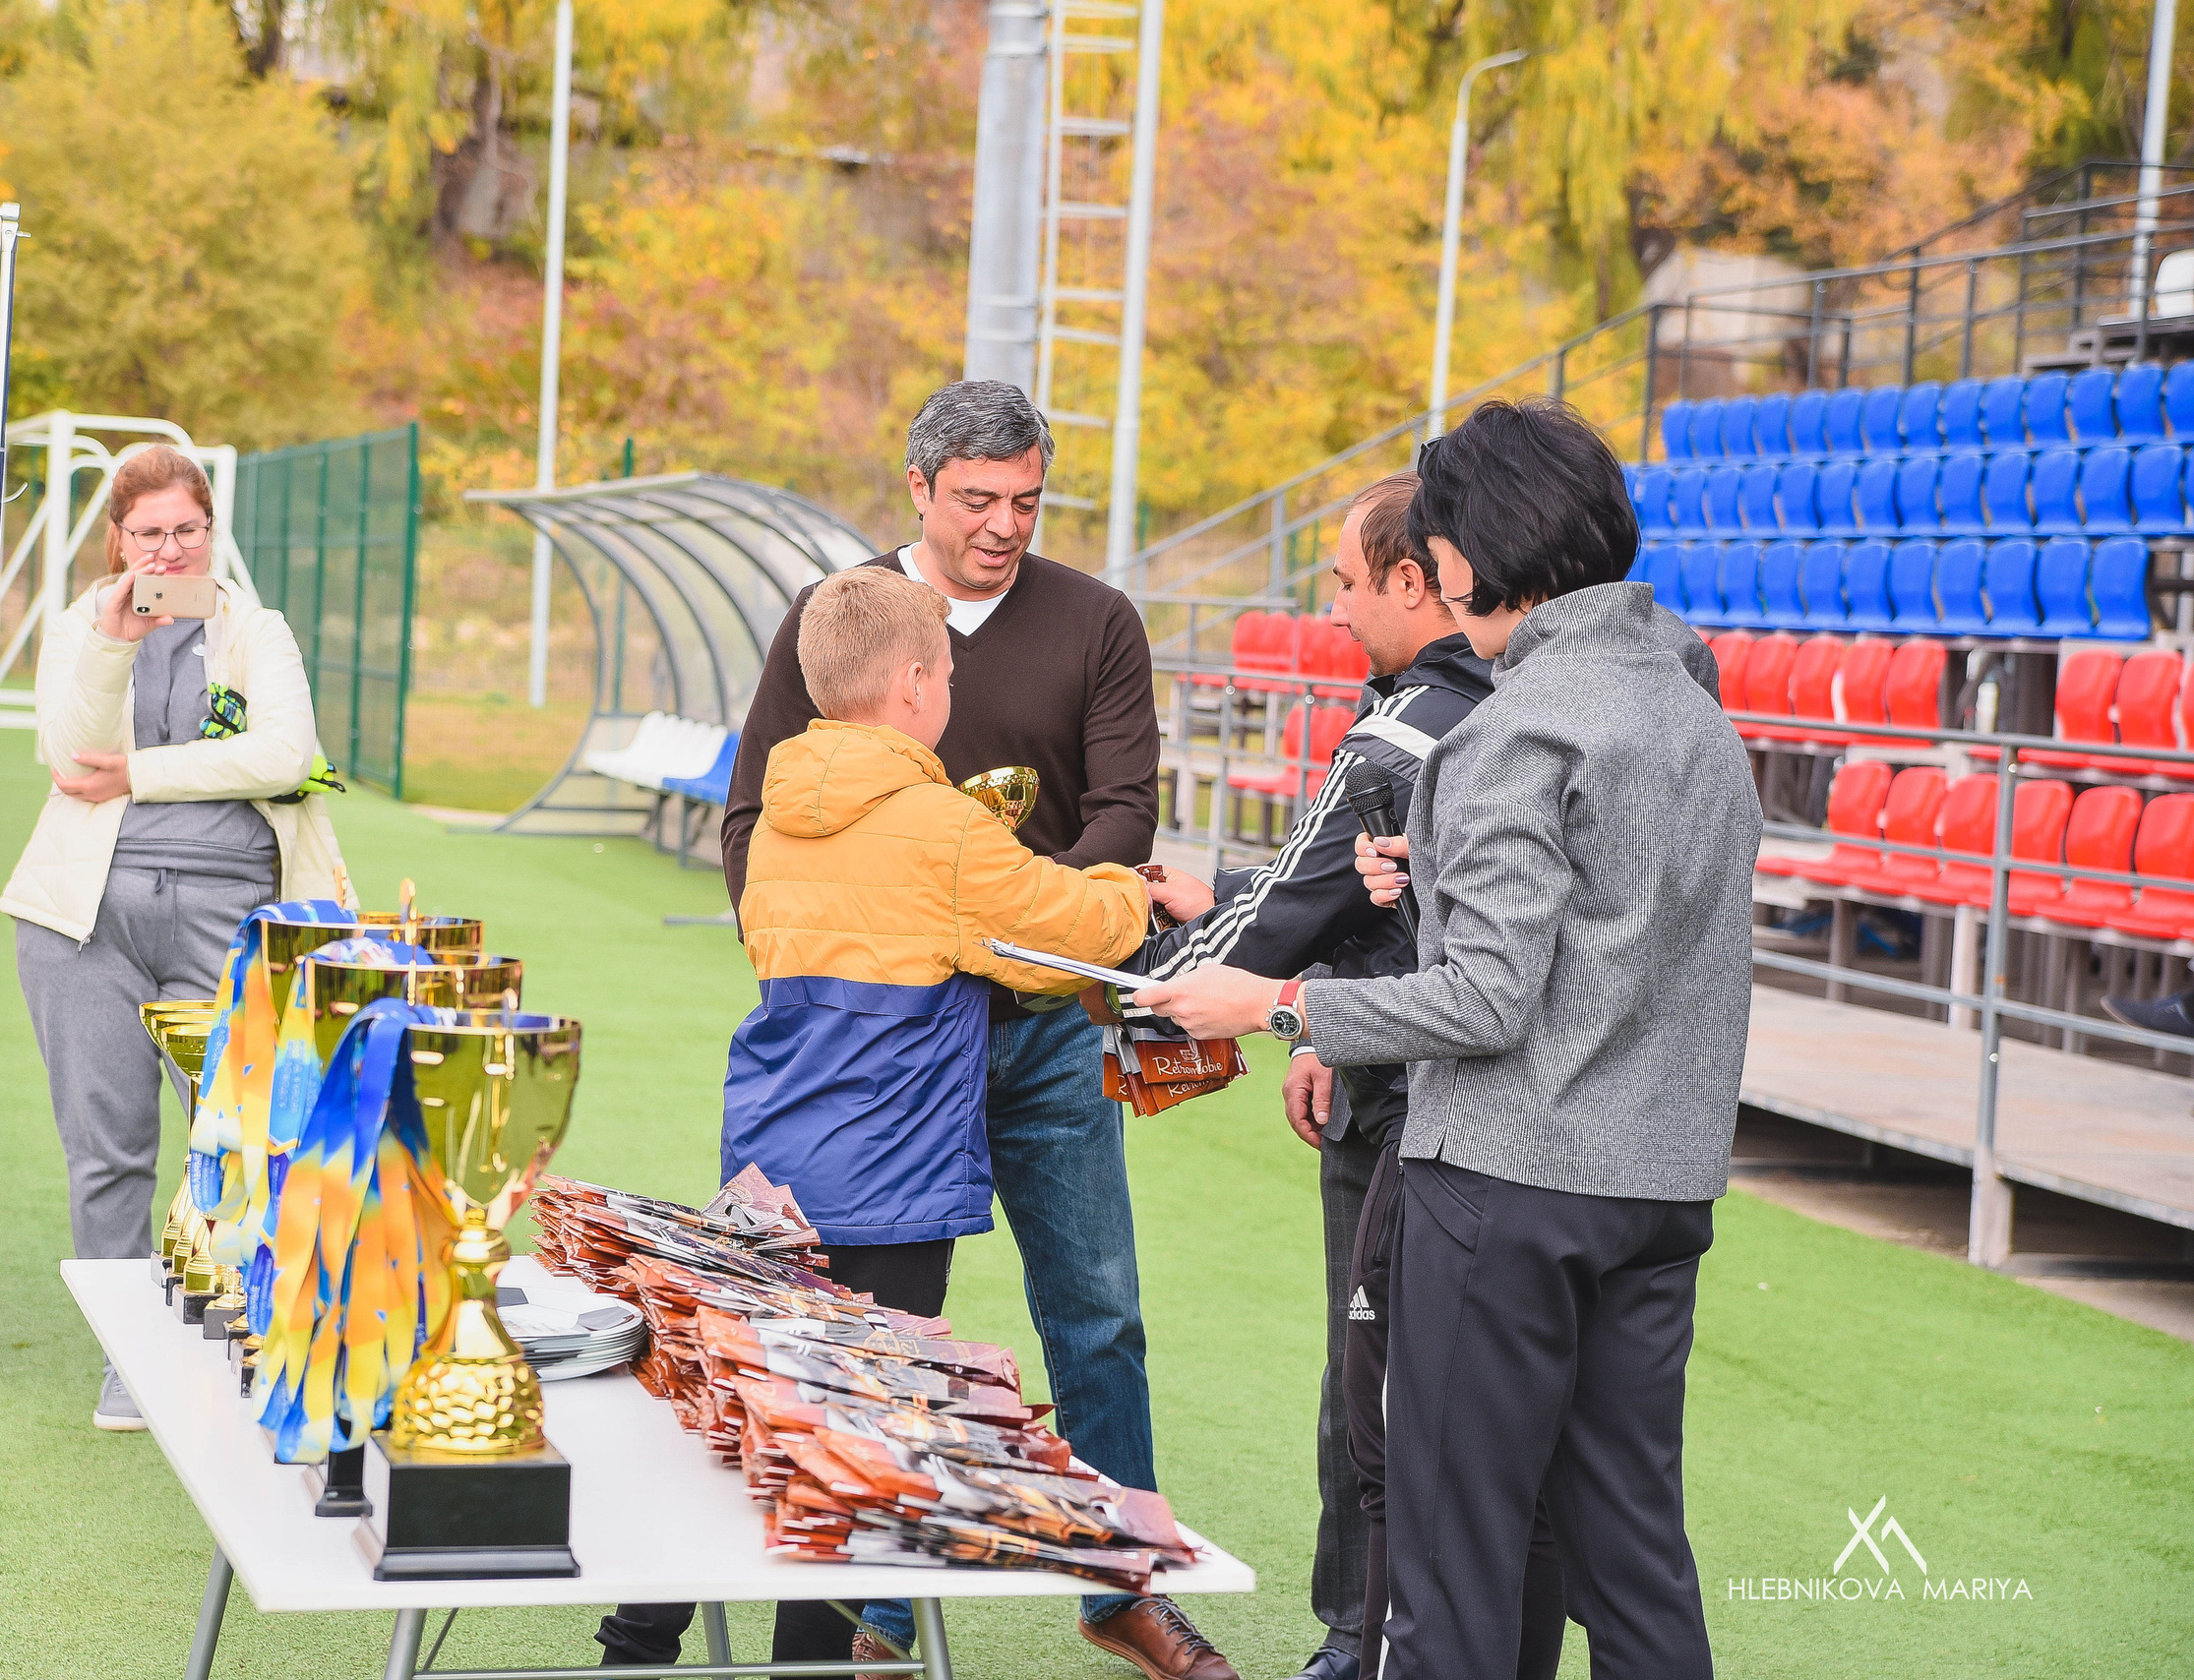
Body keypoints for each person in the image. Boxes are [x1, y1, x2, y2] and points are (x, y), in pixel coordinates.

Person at [1133, 398, 1759, 1680]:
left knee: (1452, 1566)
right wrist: (1439, 873)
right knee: (1634, 1561)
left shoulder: (1507, 731)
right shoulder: (1694, 701)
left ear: (1467, 558)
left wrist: (1282, 1004)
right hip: (1662, 1184)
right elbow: (1623, 908)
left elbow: (1483, 1000)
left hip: (1511, 1193)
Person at [708, 380, 1232, 1680]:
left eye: (1027, 501)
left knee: (1096, 1307)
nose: (1003, 524)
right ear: (920, 493)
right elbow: (756, 816)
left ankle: (1120, 1580)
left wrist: (1015, 929)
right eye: (977, 500)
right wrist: (840, 958)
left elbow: (1124, 812)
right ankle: (864, 1625)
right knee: (880, 1331)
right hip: (882, 1041)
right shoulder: (840, 619)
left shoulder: (1097, 621)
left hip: (1043, 1016)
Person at [599, 565, 1152, 1670]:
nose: (950, 685)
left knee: (745, 1408)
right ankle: (807, 1658)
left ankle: (635, 1640)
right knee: (858, 1446)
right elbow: (1066, 925)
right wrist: (1142, 889)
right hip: (890, 1188)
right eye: (947, 670)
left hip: (772, 1167)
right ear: (912, 685)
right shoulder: (941, 828)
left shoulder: (779, 825)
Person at [1122, 472, 1501, 1680]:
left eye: (1342, 580)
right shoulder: (1510, 700)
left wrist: (1117, 975)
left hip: (1409, 1107)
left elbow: (1283, 921)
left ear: (1408, 579)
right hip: (1444, 1093)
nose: (1330, 607)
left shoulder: (1404, 729)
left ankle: (1360, 1639)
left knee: (1375, 1388)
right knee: (1476, 1399)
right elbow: (1353, 898)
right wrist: (1253, 924)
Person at [0, 444, 353, 1433]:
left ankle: (247, 1335)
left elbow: (289, 753)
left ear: (210, 528)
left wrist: (141, 773)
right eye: (147, 532)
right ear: (118, 538)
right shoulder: (81, 624)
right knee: (106, 1148)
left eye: (185, 529)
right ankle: (131, 1361)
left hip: (231, 912)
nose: (167, 549)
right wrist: (115, 638)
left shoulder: (254, 626)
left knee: (239, 1139)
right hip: (86, 915)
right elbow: (67, 754)